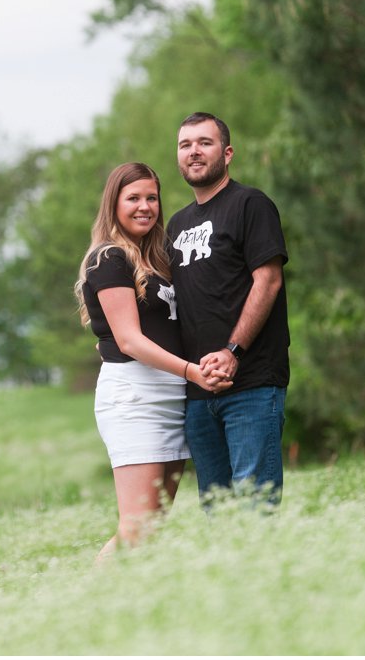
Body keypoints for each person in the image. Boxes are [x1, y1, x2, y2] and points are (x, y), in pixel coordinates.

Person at [75, 162, 229, 560]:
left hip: (171, 397)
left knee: (152, 528)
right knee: (137, 528)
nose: (145, 207)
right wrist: (192, 371)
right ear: (114, 204)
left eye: (152, 198)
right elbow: (128, 340)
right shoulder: (108, 258)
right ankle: (86, 606)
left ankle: (125, 611)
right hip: (135, 398)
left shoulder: (157, 260)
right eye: (133, 199)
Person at [167, 112, 290, 507]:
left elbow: (268, 280)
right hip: (199, 391)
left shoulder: (250, 204)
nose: (194, 152)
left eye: (205, 142)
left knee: (254, 505)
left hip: (251, 383)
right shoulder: (176, 224)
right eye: (185, 145)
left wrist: (232, 351)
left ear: (228, 152)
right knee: (216, 510)